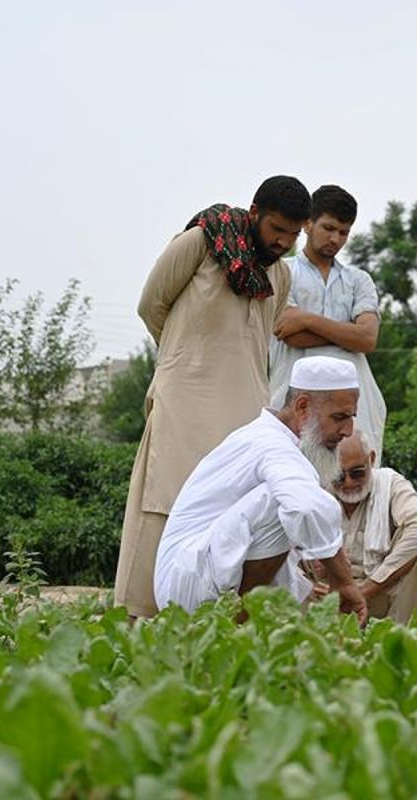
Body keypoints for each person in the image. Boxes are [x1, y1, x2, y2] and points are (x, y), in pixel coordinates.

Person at [115, 176, 312, 619]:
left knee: (232, 512)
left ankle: (220, 615)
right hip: (184, 400)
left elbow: (263, 337)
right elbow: (151, 305)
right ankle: (141, 613)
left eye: (293, 234)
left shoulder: (279, 275)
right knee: (164, 503)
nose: (283, 242)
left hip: (243, 412)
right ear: (255, 212)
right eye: (277, 229)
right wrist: (183, 359)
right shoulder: (200, 242)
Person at [154, 356, 367, 623]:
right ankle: (234, 629)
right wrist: (343, 580)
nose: (348, 431)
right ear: (302, 407)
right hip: (186, 585)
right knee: (281, 501)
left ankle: (243, 625)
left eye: (351, 418)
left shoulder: (276, 442)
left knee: (288, 502)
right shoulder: (271, 445)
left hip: (196, 577)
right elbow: (305, 507)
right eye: (339, 417)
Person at [268, 185, 386, 454]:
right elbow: (289, 333)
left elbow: (367, 339)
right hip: (294, 395)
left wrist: (306, 319)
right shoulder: (281, 271)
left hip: (358, 402)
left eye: (343, 232)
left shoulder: (359, 280)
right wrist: (348, 335)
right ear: (308, 223)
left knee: (354, 479)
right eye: (328, 228)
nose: (335, 238)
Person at [306, 430, 417, 625]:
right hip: (329, 597)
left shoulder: (391, 484)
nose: (348, 483)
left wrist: (365, 590)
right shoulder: (316, 490)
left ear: (371, 459)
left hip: (383, 595)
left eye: (357, 473)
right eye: (338, 476)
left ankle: (402, 634)